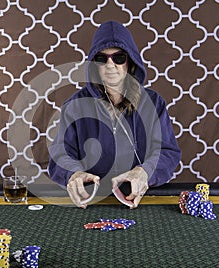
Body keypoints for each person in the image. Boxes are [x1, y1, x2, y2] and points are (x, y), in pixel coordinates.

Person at [48, 21, 181, 209]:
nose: (110, 65)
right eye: (102, 59)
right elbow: (60, 155)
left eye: (119, 58)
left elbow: (168, 152)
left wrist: (144, 171)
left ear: (130, 62)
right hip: (90, 201)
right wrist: (73, 174)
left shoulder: (154, 103)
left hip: (144, 199)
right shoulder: (74, 106)